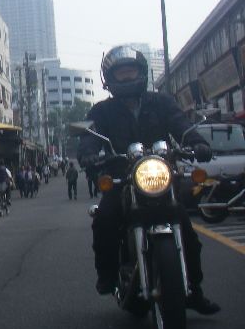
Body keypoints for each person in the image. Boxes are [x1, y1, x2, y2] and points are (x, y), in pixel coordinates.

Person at [78, 45, 219, 314]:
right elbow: (89, 137)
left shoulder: (161, 102)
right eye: (121, 73)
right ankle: (107, 275)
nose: (127, 77)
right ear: (110, 79)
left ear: (142, 73)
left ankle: (194, 290)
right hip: (122, 178)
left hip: (160, 176)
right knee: (105, 219)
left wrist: (197, 142)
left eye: (131, 72)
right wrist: (88, 155)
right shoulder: (101, 111)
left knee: (187, 232)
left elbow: (181, 125)